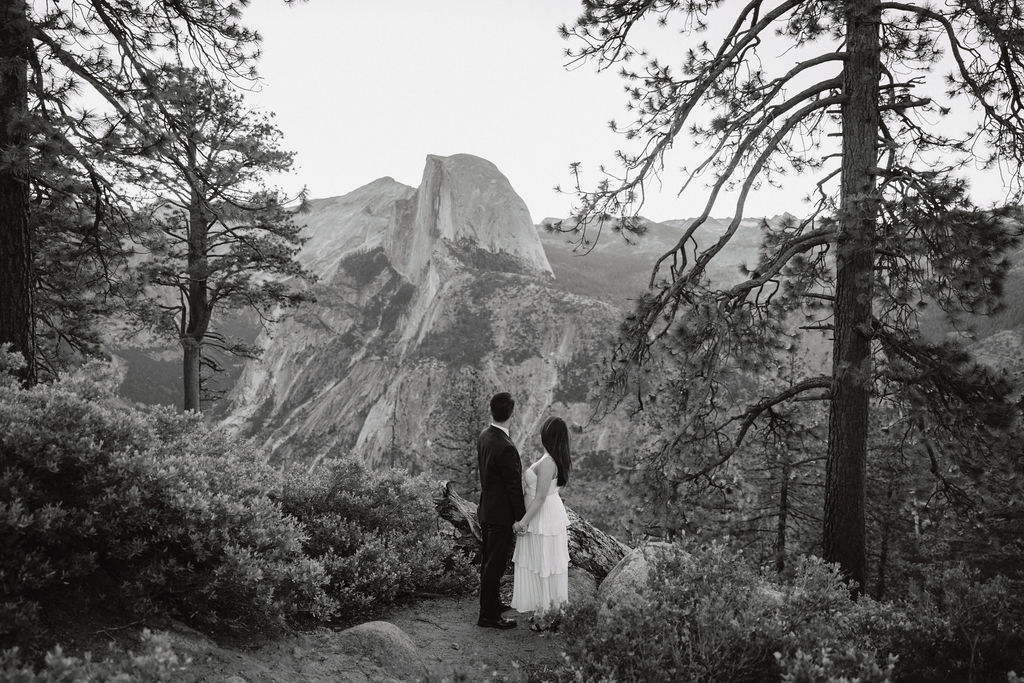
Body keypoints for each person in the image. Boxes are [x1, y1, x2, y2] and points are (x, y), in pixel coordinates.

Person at [510, 416, 571, 631]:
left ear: (548, 436)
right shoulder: (553, 458)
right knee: (543, 563)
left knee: (544, 563)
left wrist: (522, 522)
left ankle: (546, 616)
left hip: (542, 517)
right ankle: (546, 610)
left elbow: (540, 497)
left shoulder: (547, 462)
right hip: (547, 514)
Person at [476, 391, 526, 629]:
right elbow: (513, 486)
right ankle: (488, 616)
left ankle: (492, 604)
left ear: (492, 411)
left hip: (487, 509)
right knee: (494, 565)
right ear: (511, 414)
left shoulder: (484, 436)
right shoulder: (505, 446)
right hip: (500, 515)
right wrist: (521, 517)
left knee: (489, 562)